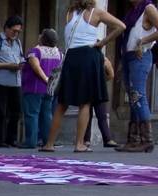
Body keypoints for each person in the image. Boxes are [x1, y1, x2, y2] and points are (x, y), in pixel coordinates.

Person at [41, 1, 125, 152]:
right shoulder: (96, 13)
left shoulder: (69, 14)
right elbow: (121, 26)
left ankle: (49, 144)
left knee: (62, 104)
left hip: (71, 57)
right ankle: (79, 143)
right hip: (88, 55)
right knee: (85, 102)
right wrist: (102, 43)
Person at [116, 0, 158, 152]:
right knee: (133, 97)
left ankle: (147, 140)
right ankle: (133, 139)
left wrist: (143, 41)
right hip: (128, 56)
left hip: (140, 55)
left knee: (137, 95)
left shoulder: (148, 8)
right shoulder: (133, 12)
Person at [0, 16, 25, 148]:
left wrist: (22, 64)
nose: (16, 34)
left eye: (18, 31)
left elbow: (20, 57)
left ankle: (11, 139)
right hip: (0, 82)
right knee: (1, 112)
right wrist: (8, 65)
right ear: (7, 28)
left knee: (16, 111)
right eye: (14, 31)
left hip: (16, 82)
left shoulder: (17, 43)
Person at [20, 29, 62, 148]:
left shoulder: (35, 51)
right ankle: (47, 141)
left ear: (43, 38)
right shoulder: (59, 53)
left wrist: (45, 79)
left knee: (32, 114)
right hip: (49, 90)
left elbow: (36, 67)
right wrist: (52, 83)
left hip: (34, 87)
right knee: (46, 115)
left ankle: (31, 142)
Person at [84, 56, 118, 147]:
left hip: (92, 89)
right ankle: (106, 139)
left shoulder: (103, 59)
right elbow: (111, 75)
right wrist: (101, 81)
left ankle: (89, 140)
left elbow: (111, 74)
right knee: (96, 115)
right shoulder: (104, 59)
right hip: (98, 89)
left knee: (95, 115)